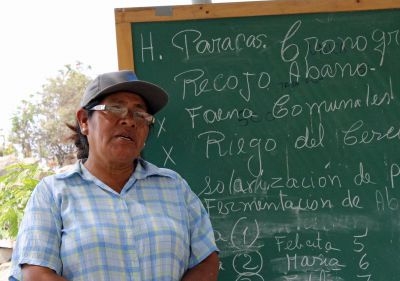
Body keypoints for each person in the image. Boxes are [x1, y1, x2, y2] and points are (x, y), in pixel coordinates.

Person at [9, 70, 219, 281]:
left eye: (140, 114)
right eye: (115, 108)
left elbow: (206, 259)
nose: (129, 121)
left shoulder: (174, 187)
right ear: (84, 121)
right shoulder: (52, 193)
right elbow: (36, 274)